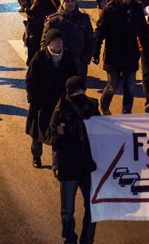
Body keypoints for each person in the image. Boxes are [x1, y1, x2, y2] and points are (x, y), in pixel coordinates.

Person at [48, 76, 99, 244]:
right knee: (71, 210)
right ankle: (72, 238)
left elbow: (102, 131)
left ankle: (84, 239)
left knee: (86, 208)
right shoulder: (61, 109)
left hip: (84, 166)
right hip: (71, 165)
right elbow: (54, 136)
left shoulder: (91, 106)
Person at [93, 0, 148, 115]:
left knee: (130, 88)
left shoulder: (136, 9)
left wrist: (147, 50)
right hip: (113, 55)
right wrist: (96, 51)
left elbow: (142, 31)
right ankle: (104, 107)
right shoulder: (110, 9)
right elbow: (100, 31)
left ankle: (126, 113)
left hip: (130, 54)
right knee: (112, 86)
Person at [27, 29, 79, 168]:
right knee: (38, 134)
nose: (58, 44)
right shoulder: (39, 57)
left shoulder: (67, 56)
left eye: (60, 41)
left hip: (60, 103)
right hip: (42, 103)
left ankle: (57, 162)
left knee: (59, 134)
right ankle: (36, 156)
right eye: (55, 41)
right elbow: (30, 79)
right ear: (49, 43)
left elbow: (74, 77)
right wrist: (33, 98)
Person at [44, 0, 96, 77]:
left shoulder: (84, 19)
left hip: (79, 65)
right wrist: (51, 60)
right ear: (62, 3)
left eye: (72, 0)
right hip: (59, 64)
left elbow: (91, 40)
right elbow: (44, 43)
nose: (70, 3)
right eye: (67, 1)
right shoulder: (53, 21)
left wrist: (85, 59)